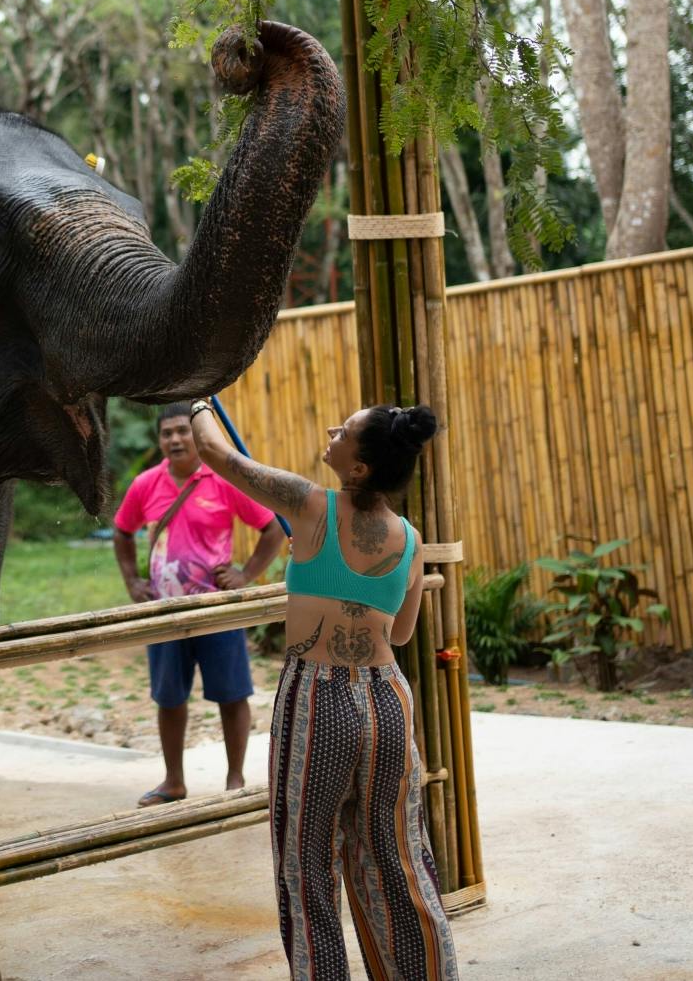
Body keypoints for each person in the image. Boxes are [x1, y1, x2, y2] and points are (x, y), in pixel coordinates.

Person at [190, 399, 459, 981]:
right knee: (397, 857)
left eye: (346, 431)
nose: (333, 433)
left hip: (319, 698)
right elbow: (404, 630)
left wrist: (198, 398)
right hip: (387, 698)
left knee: (306, 867)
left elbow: (214, 451)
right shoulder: (410, 540)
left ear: (358, 468)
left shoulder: (309, 504)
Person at [112, 401, 288, 806]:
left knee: (232, 695)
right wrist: (132, 581)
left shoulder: (224, 480)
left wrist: (246, 575)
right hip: (165, 613)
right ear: (159, 441)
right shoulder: (145, 485)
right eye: (166, 433)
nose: (174, 439)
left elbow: (272, 527)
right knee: (169, 697)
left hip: (216, 611)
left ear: (197, 435)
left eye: (182, 431)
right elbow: (122, 533)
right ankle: (173, 782)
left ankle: (235, 782)